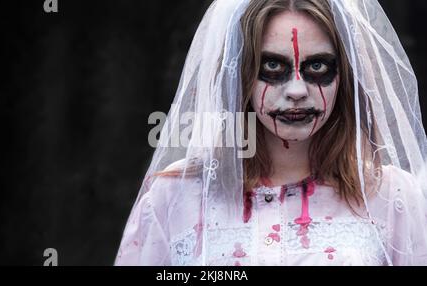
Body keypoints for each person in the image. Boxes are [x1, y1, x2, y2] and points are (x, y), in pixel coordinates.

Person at [115, 0, 427, 266]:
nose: (296, 91)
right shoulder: (174, 196)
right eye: (273, 67)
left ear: (343, 76)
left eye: (317, 67)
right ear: (241, 75)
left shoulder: (392, 197)